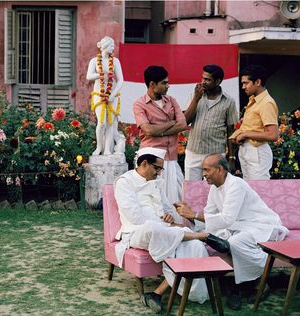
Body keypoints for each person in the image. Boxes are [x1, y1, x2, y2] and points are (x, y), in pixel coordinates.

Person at [114, 147, 230, 313]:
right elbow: (135, 218)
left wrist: (169, 217)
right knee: (153, 227)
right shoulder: (124, 182)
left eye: (161, 169)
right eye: (157, 168)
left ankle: (157, 294)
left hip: (166, 232)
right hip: (136, 232)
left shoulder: (157, 183)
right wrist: (167, 225)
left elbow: (168, 210)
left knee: (195, 247)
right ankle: (200, 235)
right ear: (144, 163)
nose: (159, 173)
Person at [175, 153, 288, 310]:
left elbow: (227, 219)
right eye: (203, 170)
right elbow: (209, 215)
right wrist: (190, 217)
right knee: (220, 236)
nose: (204, 174)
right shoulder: (215, 188)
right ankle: (246, 284)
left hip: (259, 225)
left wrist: (193, 214)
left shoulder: (236, 184)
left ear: (220, 169)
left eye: (207, 170)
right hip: (238, 227)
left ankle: (257, 282)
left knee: (234, 242)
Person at [133, 66, 187, 206]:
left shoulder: (171, 101)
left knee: (179, 196)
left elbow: (182, 125)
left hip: (171, 157)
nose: (168, 86)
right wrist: (171, 123)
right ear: (152, 84)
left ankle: (177, 226)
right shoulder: (139, 104)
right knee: (152, 199)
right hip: (151, 159)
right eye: (164, 83)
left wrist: (159, 130)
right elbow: (148, 130)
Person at [183, 65, 238, 180]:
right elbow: (185, 121)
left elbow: (231, 131)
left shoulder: (229, 101)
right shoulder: (195, 95)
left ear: (218, 81)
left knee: (214, 190)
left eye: (207, 80)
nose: (203, 82)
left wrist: (232, 157)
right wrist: (196, 99)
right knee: (191, 189)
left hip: (215, 154)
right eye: (203, 78)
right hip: (193, 152)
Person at [229, 65, 279, 180]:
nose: (243, 87)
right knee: (250, 192)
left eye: (246, 83)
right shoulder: (253, 100)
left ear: (257, 82)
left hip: (258, 152)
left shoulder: (267, 103)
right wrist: (238, 135)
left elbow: (273, 135)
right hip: (248, 151)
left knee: (259, 191)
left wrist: (245, 134)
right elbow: (252, 127)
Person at [86, 36, 124, 156]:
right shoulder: (94, 61)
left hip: (113, 95)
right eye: (111, 45)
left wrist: (113, 94)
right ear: (105, 46)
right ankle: (99, 147)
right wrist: (100, 75)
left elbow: (121, 80)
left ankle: (107, 149)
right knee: (101, 123)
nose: (113, 48)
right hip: (99, 94)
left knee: (110, 123)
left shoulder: (116, 61)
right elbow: (89, 76)